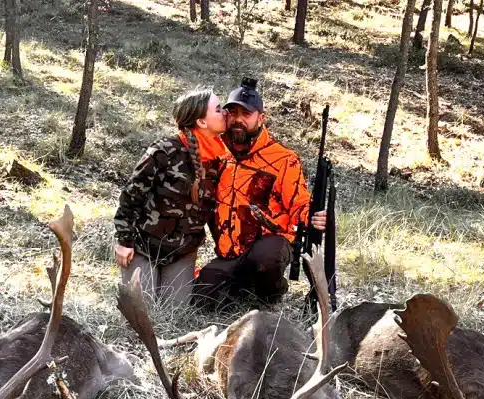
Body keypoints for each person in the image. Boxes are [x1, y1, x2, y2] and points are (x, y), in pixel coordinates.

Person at [192, 78, 326, 309]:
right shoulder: (216, 152)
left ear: (260, 118)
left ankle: (270, 295)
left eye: (246, 114)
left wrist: (313, 216)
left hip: (269, 243)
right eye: (232, 113)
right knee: (202, 299)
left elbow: (299, 203)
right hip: (230, 250)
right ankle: (241, 286)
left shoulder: (283, 159)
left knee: (266, 259)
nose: (238, 120)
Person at [113, 87, 229, 306]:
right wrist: (124, 241)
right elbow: (131, 196)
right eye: (218, 109)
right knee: (142, 309)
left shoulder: (221, 160)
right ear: (202, 122)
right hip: (142, 246)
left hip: (181, 252)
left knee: (174, 313)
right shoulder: (163, 152)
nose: (225, 113)